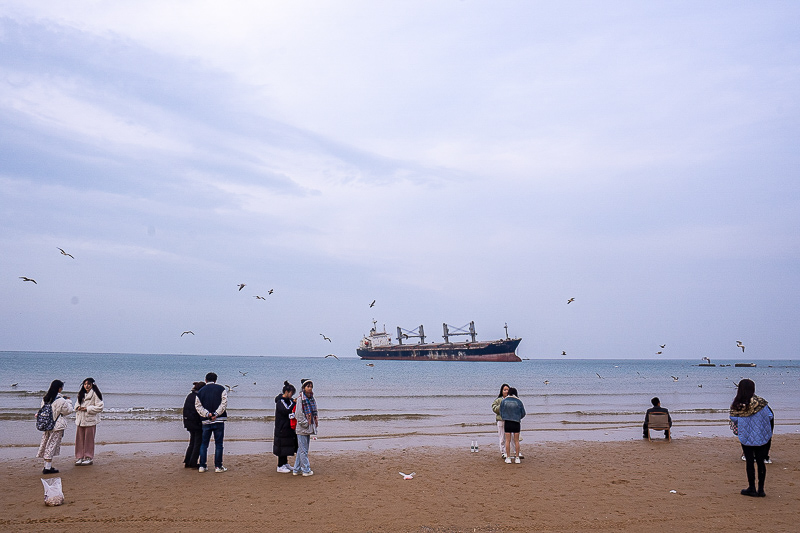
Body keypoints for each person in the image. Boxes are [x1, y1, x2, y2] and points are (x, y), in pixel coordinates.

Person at [730, 379, 774, 497]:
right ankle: (761, 490)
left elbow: (733, 418)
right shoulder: (761, 402)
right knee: (761, 462)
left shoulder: (738, 403)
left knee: (750, 462)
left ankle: (752, 488)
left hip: (747, 436)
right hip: (761, 436)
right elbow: (770, 416)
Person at [37, 379, 74, 474]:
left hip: (46, 424)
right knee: (52, 445)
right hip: (56, 426)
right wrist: (69, 401)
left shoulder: (45, 398)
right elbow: (68, 411)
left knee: (46, 444)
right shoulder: (61, 400)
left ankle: (47, 466)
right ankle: (47, 468)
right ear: (59, 388)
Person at [194, 372, 228, 473]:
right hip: (219, 419)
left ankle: (202, 466)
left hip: (206, 421)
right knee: (219, 444)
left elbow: (198, 406)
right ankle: (218, 466)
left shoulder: (201, 391)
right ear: (216, 380)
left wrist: (207, 414)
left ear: (205, 380)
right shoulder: (221, 389)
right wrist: (216, 414)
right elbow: (224, 403)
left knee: (204, 444)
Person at [74, 377, 104, 465]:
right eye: (85, 384)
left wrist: (87, 408)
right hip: (80, 420)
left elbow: (100, 407)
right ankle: (79, 457)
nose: (86, 386)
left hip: (90, 420)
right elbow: (76, 404)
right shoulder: (81, 394)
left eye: (88, 384)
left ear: (92, 385)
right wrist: (78, 407)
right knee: (79, 440)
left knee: (89, 440)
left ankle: (88, 457)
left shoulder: (95, 394)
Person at [291, 378, 318, 477]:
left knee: (301, 449)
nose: (310, 388)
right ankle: (306, 470)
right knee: (303, 450)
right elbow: (298, 414)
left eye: (311, 386)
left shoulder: (311, 398)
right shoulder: (300, 399)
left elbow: (313, 412)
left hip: (308, 427)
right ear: (303, 387)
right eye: (308, 386)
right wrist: (306, 423)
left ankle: (296, 469)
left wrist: (311, 423)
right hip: (302, 428)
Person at [273, 381, 298, 473]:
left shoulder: (289, 400)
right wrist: (294, 403)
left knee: (286, 445)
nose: (292, 395)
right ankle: (280, 465)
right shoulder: (280, 401)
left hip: (288, 427)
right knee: (281, 446)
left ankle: (285, 463)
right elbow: (286, 410)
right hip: (281, 428)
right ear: (286, 392)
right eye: (291, 393)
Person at [182, 381, 205, 469]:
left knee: (192, 442)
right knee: (197, 443)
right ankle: (193, 462)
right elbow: (199, 411)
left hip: (188, 421)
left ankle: (188, 461)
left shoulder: (190, 395)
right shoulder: (198, 397)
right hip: (196, 422)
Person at [499, 387, 525, 464]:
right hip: (516, 422)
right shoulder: (519, 401)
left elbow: (501, 412)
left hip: (507, 422)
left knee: (507, 440)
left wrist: (505, 417)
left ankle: (508, 457)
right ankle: (517, 457)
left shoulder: (504, 401)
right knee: (516, 441)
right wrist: (518, 417)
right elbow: (523, 413)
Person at [492, 383, 516, 458]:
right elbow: (495, 409)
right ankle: (503, 452)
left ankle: (515, 451)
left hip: (510, 420)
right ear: (502, 391)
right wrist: (502, 403)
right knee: (502, 437)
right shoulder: (498, 400)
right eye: (504, 390)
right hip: (501, 420)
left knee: (512, 437)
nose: (506, 391)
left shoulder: (512, 399)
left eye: (507, 390)